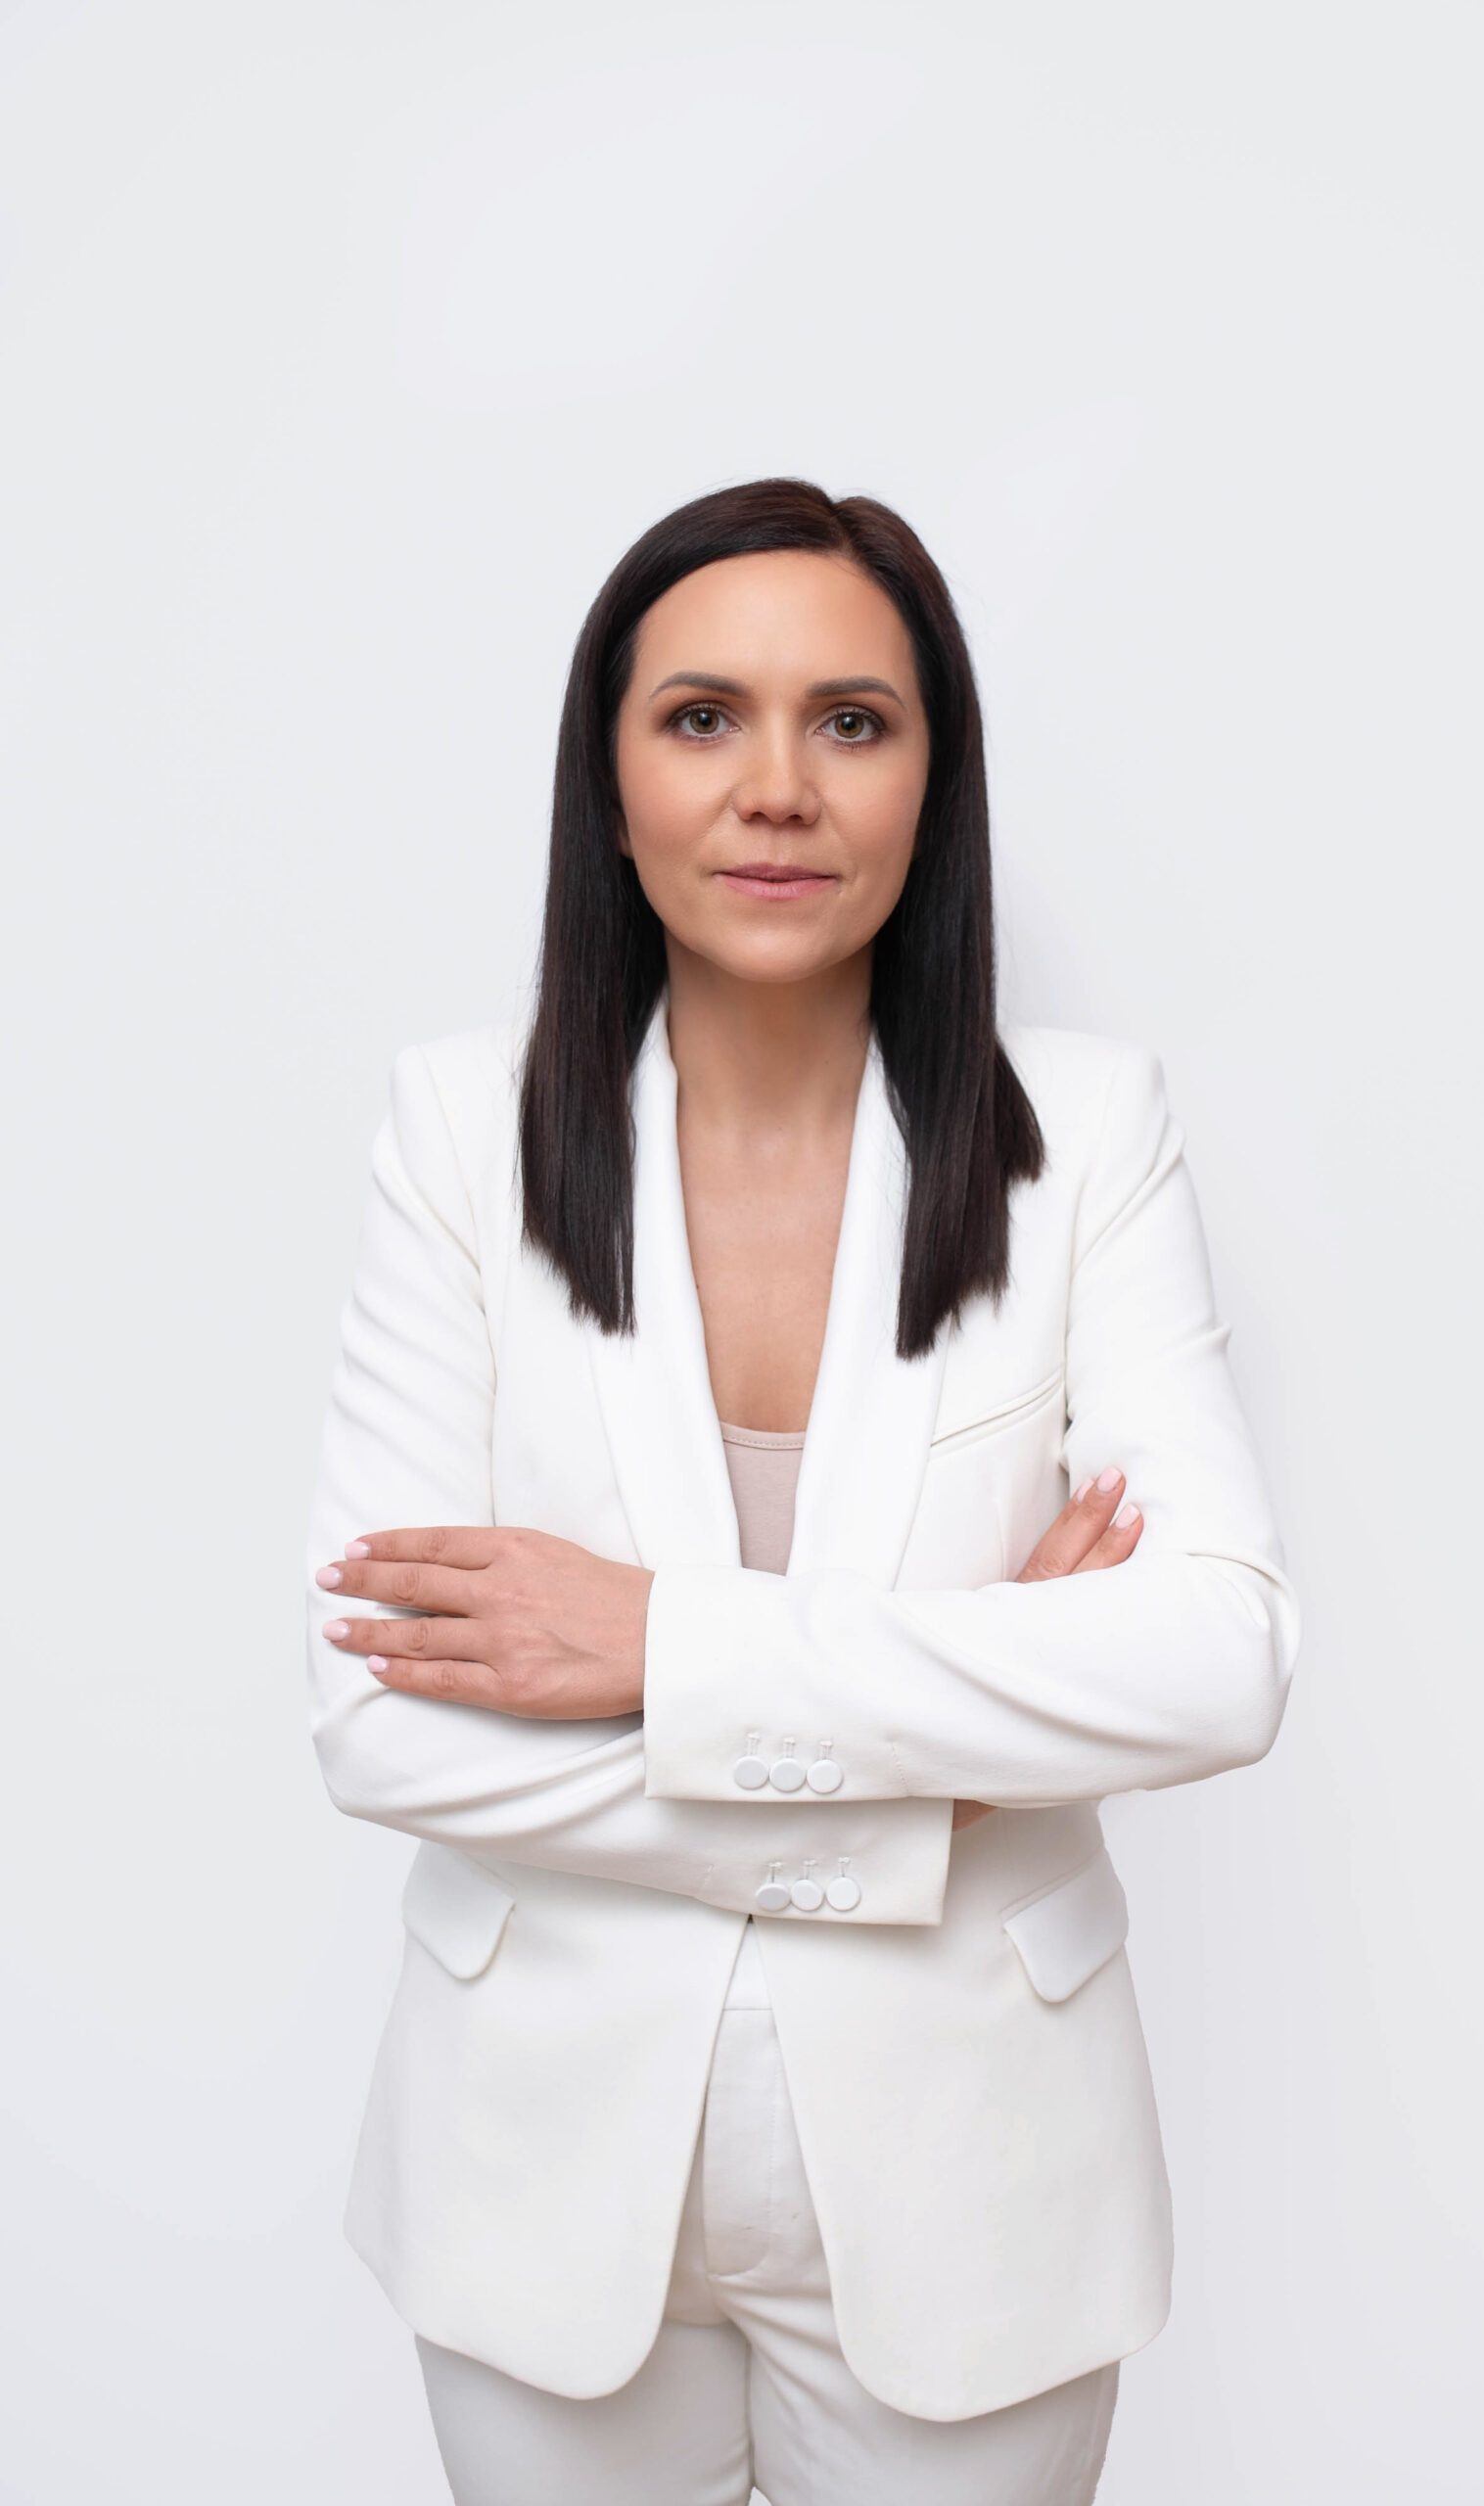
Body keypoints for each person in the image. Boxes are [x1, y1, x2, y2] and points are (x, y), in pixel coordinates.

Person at [306, 478, 1298, 2506]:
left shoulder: (1087, 1135)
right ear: (607, 784)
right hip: (542, 2171)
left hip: (974, 2173)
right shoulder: (459, 1133)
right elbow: (379, 1717)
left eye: (852, 719)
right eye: (702, 717)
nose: (778, 784)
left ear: (935, 780)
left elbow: (1219, 1657)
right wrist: (952, 1746)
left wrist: (651, 1647)